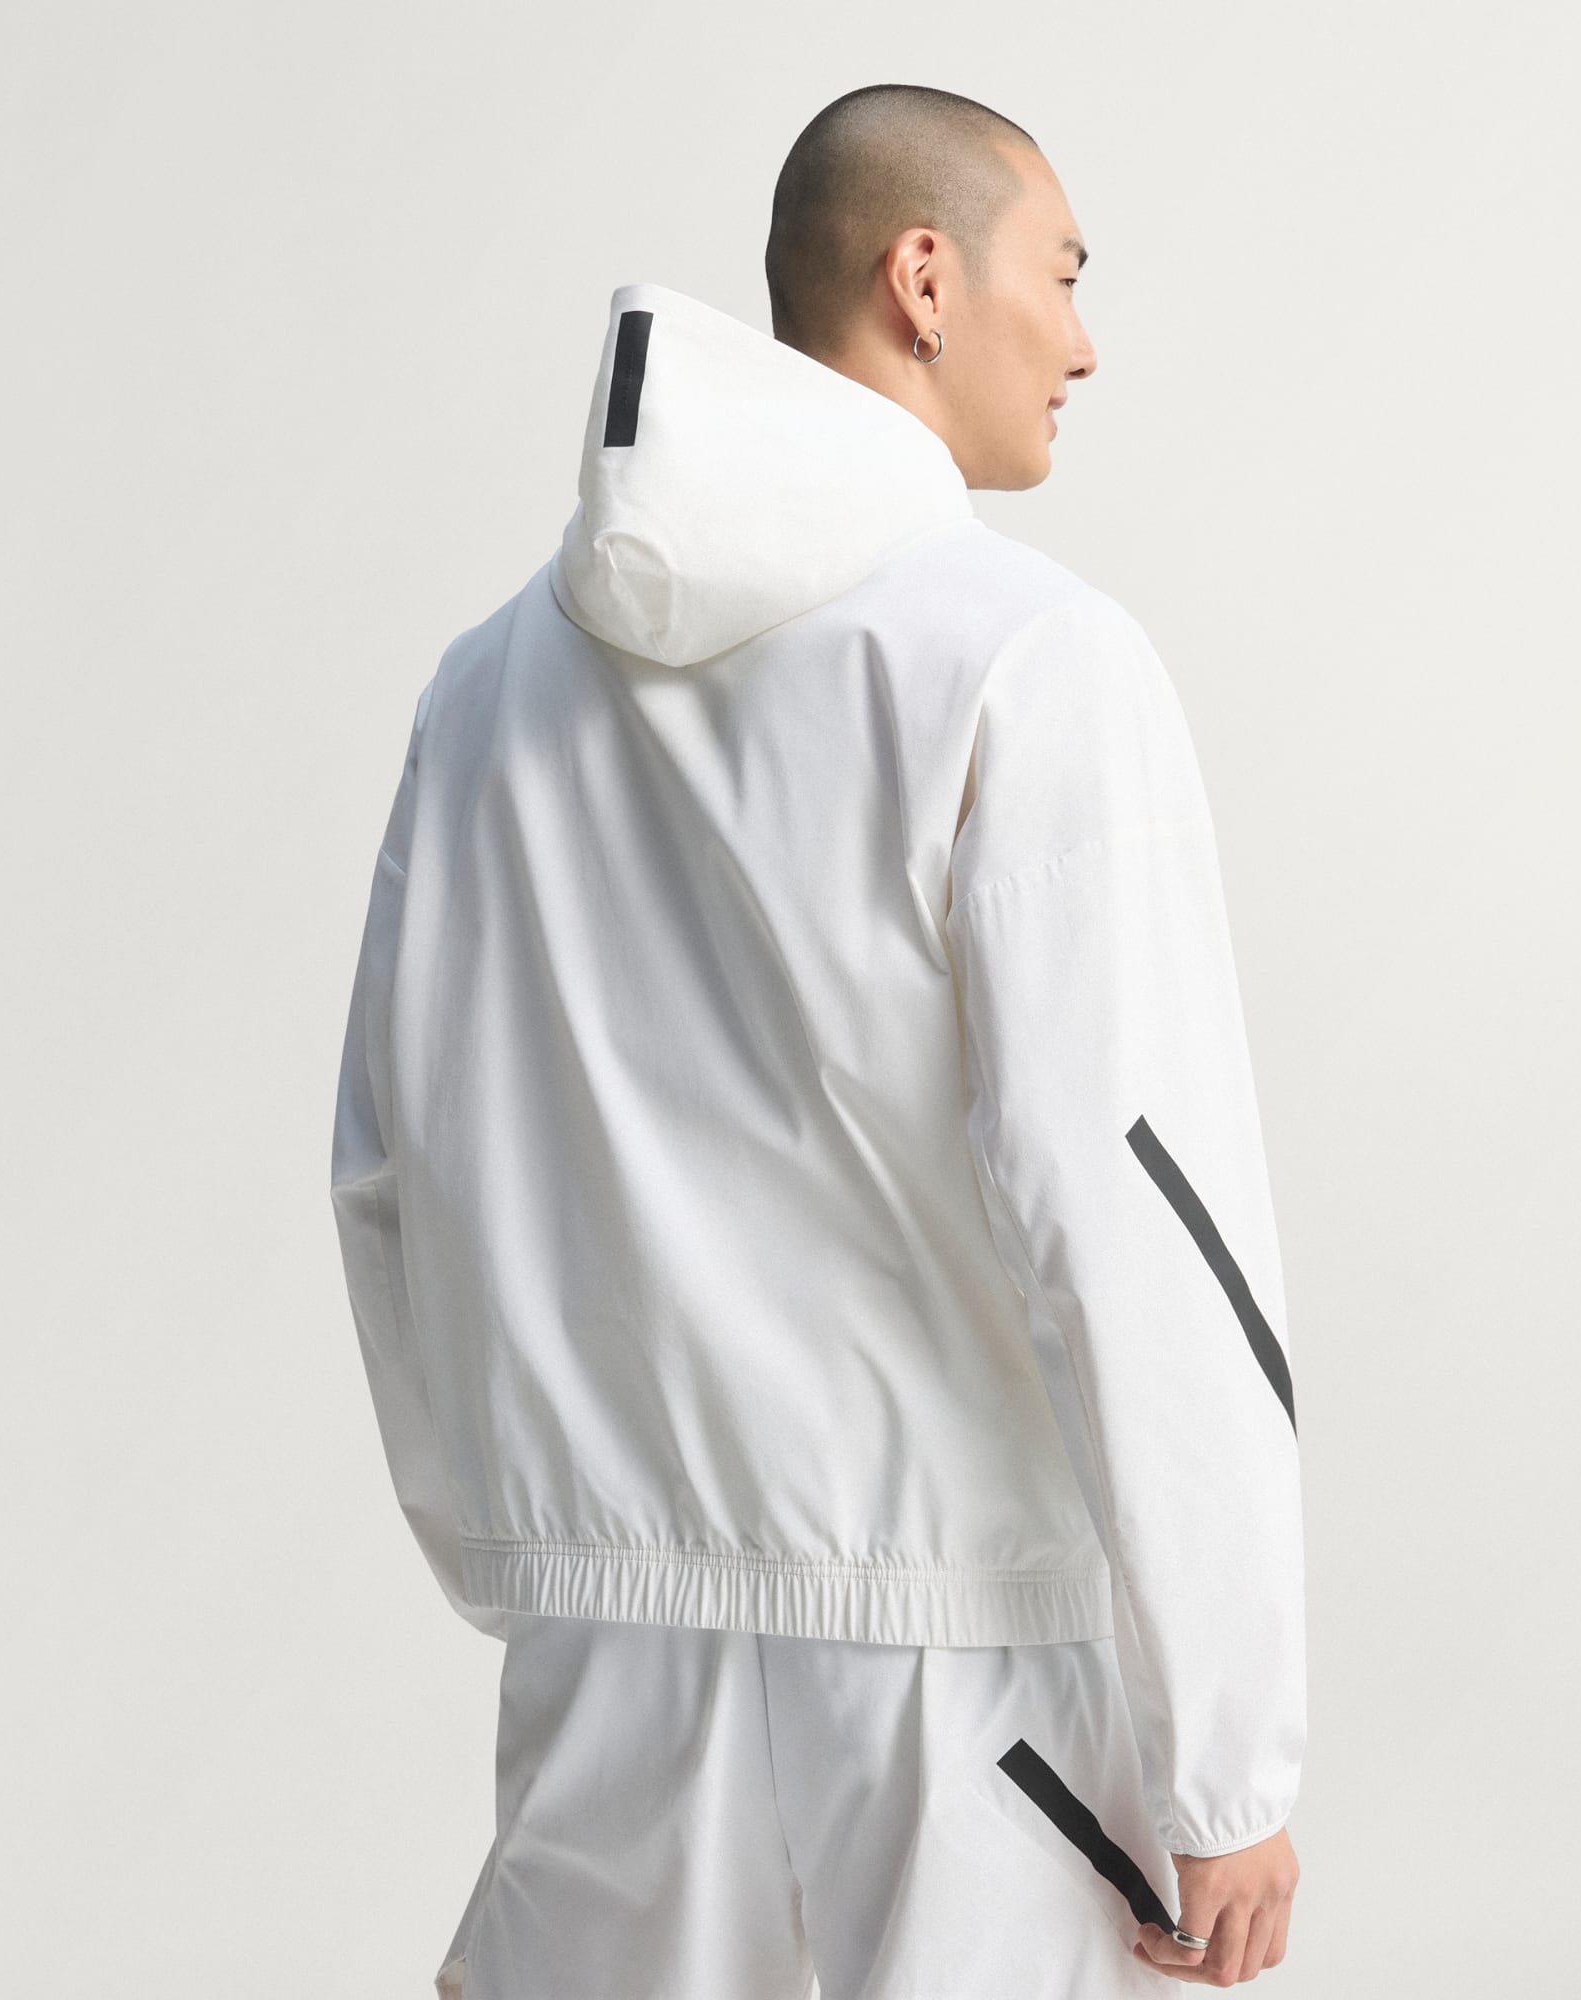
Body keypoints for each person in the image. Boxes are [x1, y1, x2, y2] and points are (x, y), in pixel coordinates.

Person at [330, 82, 1305, 1998]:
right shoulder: (1028, 658)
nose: (1085, 342)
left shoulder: (490, 686)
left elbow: (393, 1166)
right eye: (1064, 274)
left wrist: (535, 1551)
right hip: (960, 1681)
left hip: (608, 1679)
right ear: (924, 279)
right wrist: (1231, 1748)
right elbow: (1137, 1207)